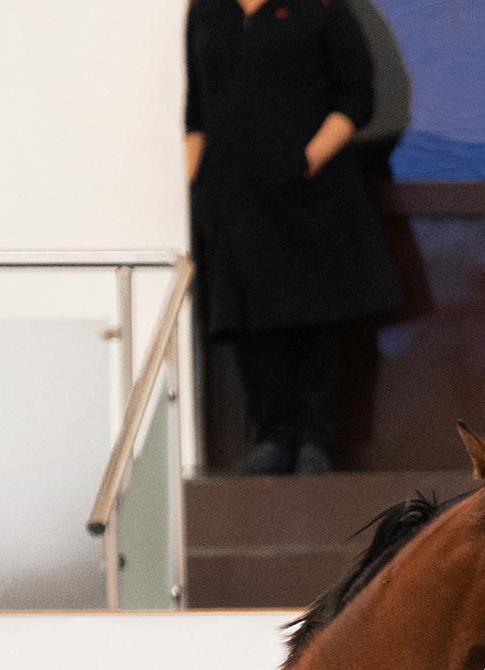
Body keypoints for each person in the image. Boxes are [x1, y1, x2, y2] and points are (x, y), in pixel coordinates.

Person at [185, 0, 401, 476]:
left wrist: (307, 159)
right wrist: (198, 182)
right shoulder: (205, 12)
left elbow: (355, 100)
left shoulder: (323, 10)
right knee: (248, 315)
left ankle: (314, 443)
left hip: (310, 193)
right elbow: (195, 109)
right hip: (232, 199)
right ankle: (272, 439)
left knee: (317, 313)